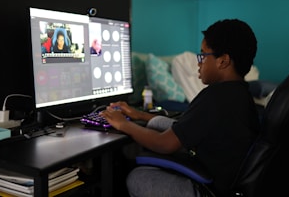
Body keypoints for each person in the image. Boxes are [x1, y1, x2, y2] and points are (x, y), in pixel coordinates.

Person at [100, 19, 260, 197]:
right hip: (220, 173)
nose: (199, 63)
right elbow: (188, 125)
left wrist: (124, 124)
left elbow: (164, 144)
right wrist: (138, 115)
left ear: (223, 61)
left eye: (203, 55)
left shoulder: (215, 96)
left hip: (211, 190)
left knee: (137, 177)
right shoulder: (239, 93)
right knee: (160, 122)